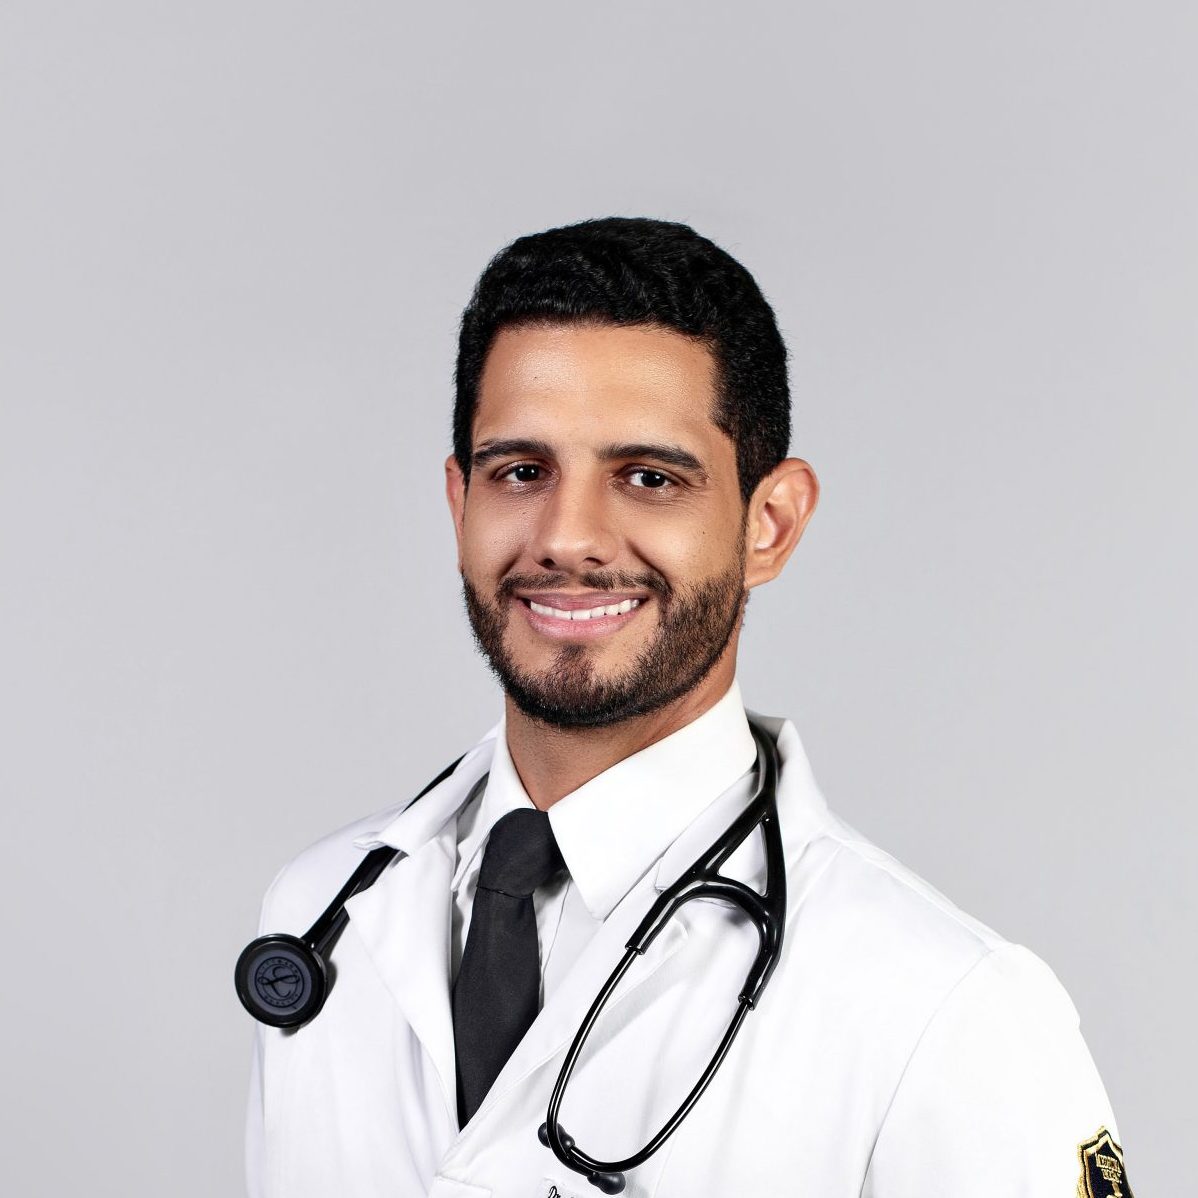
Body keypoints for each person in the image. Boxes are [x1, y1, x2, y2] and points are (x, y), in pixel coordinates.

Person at [242, 218, 1130, 1198]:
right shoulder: (323, 914)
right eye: (521, 471)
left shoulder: (947, 1013)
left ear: (769, 524)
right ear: (460, 505)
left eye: (648, 478)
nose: (567, 537)